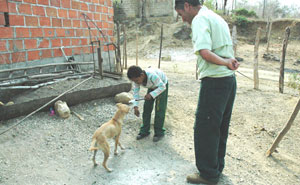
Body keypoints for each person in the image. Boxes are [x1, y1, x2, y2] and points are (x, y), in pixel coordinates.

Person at [175, 0, 240, 184]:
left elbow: (205, 52)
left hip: (215, 82)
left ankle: (208, 174)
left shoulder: (199, 19)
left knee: (205, 128)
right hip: (228, 81)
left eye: (181, 14)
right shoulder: (216, 17)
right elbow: (223, 51)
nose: (182, 19)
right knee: (220, 127)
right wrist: (229, 61)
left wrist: (227, 62)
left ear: (187, 5)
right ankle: (217, 167)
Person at [127, 65, 168, 142]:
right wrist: (135, 107)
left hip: (162, 85)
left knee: (159, 109)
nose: (136, 83)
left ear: (142, 75)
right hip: (152, 86)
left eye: (136, 80)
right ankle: (145, 131)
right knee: (147, 108)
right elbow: (136, 93)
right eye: (134, 81)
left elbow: (162, 87)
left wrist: (152, 94)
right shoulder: (137, 79)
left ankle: (159, 132)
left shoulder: (152, 76)